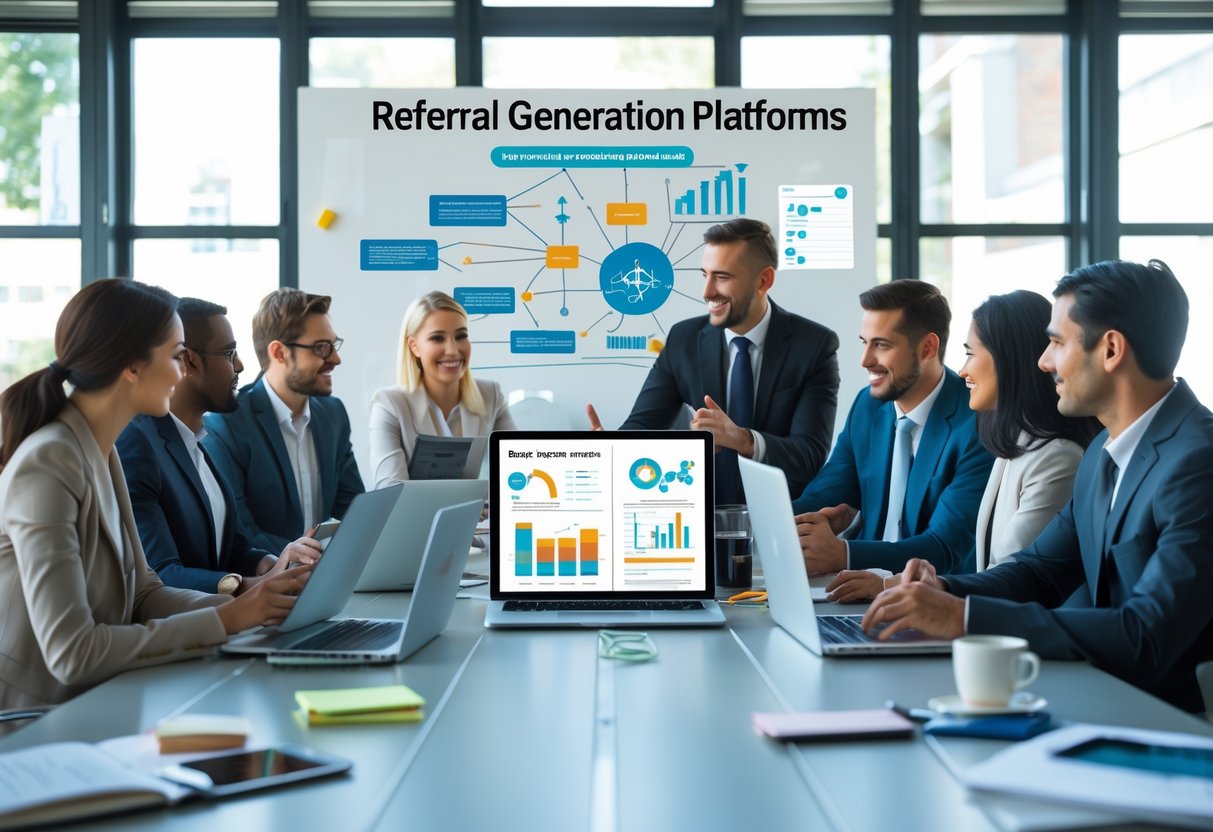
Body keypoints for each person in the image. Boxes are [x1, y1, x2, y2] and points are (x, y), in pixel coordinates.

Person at [863, 259, 1213, 712]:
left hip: (1175, 726)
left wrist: (964, 617)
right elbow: (1039, 570)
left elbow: (1146, 634)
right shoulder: (1103, 452)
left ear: (1110, 350)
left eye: (1056, 343)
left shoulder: (1197, 462)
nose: (1043, 361)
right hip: (1106, 698)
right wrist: (944, 591)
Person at [0, 280, 308, 711]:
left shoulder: (101, 453)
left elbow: (144, 595)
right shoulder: (49, 463)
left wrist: (254, 607)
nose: (183, 372)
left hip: (102, 702)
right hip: (35, 721)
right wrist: (227, 617)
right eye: (177, 355)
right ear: (132, 366)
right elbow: (72, 653)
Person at [826, 290, 1100, 602]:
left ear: (1008, 360)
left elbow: (1014, 579)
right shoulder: (1011, 447)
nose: (963, 370)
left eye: (970, 354)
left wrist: (900, 586)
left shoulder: (1056, 458)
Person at [587, 218, 840, 503]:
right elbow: (643, 427)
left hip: (779, 518)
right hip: (698, 516)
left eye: (722, 277)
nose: (706, 292)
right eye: (704, 275)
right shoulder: (684, 339)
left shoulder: (813, 346)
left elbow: (810, 456)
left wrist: (742, 439)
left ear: (763, 280)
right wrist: (610, 448)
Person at [116, 297, 324, 595]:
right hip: (184, 633)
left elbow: (232, 549)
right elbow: (160, 575)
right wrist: (256, 586)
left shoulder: (198, 440)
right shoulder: (138, 444)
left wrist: (275, 563)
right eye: (229, 353)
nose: (239, 365)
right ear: (189, 360)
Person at [792, 280, 994, 576]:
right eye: (864, 342)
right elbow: (824, 495)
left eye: (881, 345)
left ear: (927, 347)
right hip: (855, 589)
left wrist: (844, 554)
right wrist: (760, 521)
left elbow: (945, 547)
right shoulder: (868, 405)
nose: (865, 361)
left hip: (930, 601)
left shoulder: (976, 423)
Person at [203, 289, 364, 553]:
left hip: (331, 576)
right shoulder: (226, 425)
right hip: (268, 582)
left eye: (334, 345)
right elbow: (241, 533)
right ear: (279, 352)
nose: (335, 358)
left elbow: (353, 509)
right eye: (322, 347)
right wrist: (313, 560)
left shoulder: (333, 414)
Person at [368, 291, 514, 487]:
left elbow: (517, 466)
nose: (453, 350)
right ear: (414, 347)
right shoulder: (389, 404)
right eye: (437, 338)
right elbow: (391, 492)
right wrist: (471, 498)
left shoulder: (491, 395)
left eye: (461, 336)